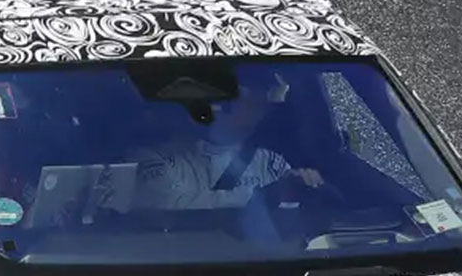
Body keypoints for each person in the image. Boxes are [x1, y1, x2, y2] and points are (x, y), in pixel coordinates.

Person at [129, 73, 324, 212]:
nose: (259, 111)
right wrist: (265, 197)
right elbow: (167, 205)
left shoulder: (270, 162)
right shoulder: (152, 159)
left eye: (261, 103)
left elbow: (293, 216)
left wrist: (307, 186)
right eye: (249, 101)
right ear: (215, 106)